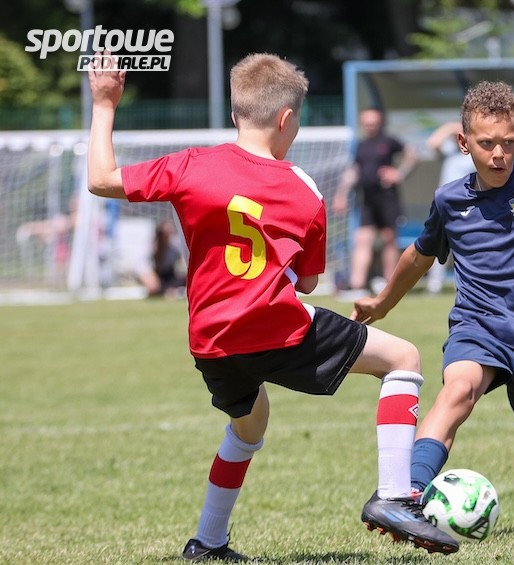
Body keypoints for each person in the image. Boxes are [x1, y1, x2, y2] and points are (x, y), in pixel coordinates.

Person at [87, 51, 459, 562]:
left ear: (235, 112)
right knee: (403, 358)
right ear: (287, 119)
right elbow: (307, 282)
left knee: (249, 426)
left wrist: (105, 103)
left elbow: (101, 179)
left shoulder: (191, 165)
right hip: (275, 330)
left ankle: (208, 542)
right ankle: (394, 496)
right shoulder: (303, 189)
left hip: (212, 342)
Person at [350, 81, 514, 533]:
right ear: (464, 142)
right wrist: (382, 302)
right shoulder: (449, 200)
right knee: (457, 391)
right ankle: (406, 497)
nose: (498, 154)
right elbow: (418, 256)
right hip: (478, 329)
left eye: (508, 143)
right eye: (486, 143)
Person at [333, 108, 416, 293]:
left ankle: (389, 285)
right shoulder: (361, 145)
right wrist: (341, 195)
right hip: (367, 200)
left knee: (389, 238)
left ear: (380, 122)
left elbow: (411, 155)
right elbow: (354, 171)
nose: (370, 124)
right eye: (367, 121)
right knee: (362, 239)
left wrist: (399, 173)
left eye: (373, 121)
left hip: (388, 198)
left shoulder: (389, 141)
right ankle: (356, 285)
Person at [424, 121, 474, 294]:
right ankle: (434, 283)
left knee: (465, 245)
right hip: (445, 204)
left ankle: (464, 284)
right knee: (438, 242)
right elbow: (432, 143)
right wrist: (450, 128)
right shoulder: (450, 150)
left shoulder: (473, 154)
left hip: (467, 205)